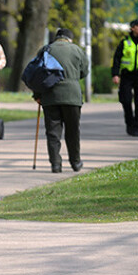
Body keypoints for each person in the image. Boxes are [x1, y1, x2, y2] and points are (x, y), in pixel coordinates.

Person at [33, 28, 88, 173]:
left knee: (53, 132)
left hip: (50, 96)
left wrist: (37, 95)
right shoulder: (77, 50)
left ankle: (55, 164)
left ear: (57, 38)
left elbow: (38, 74)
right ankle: (75, 162)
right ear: (70, 39)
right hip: (72, 97)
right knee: (73, 131)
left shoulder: (45, 49)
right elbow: (84, 72)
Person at [111, 19, 138, 137]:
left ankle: (137, 126)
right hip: (127, 75)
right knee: (126, 100)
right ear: (132, 28)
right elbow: (117, 58)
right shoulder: (125, 42)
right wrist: (115, 74)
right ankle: (129, 123)